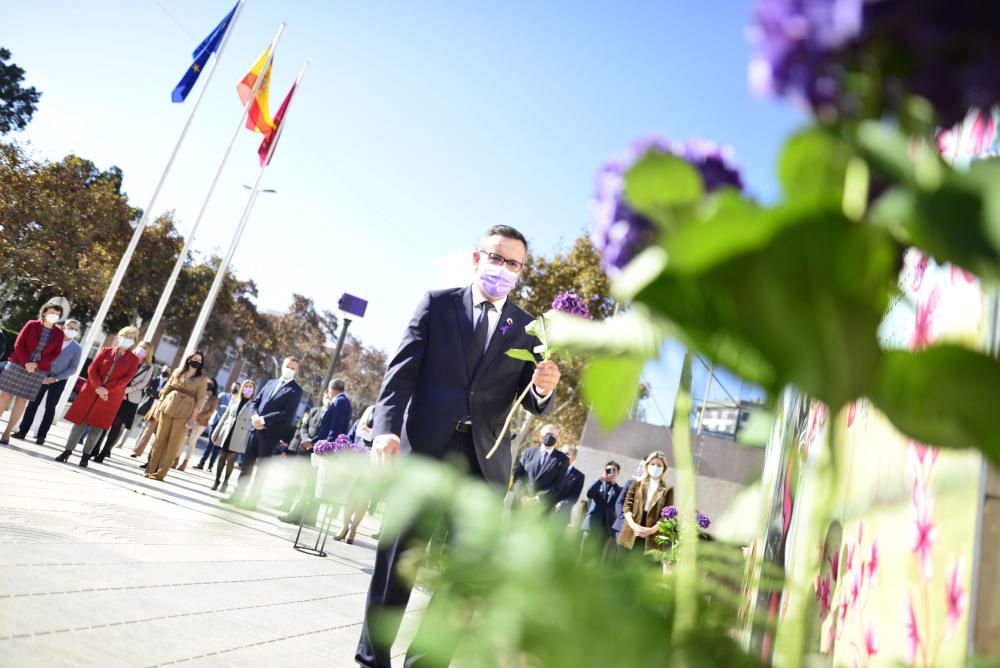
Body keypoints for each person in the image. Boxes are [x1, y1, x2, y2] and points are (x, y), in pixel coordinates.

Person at [357, 225, 561, 668]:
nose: (503, 268)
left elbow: (531, 401)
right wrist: (386, 430)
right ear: (476, 258)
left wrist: (544, 389)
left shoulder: (529, 328)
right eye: (496, 257)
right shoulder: (438, 304)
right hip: (425, 451)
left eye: (513, 263)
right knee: (397, 560)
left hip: (483, 464)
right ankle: (373, 659)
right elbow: (401, 374)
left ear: (521, 271)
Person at [222, 357, 302, 510]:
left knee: (261, 469)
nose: (289, 369)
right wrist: (254, 417)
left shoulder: (296, 390)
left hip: (270, 433)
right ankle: (237, 495)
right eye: (287, 366)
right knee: (246, 465)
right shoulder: (270, 382)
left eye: (293, 368)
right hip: (254, 429)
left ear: (296, 371)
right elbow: (255, 402)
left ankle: (252, 501)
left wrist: (263, 420)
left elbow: (286, 412)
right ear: (282, 366)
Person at [54, 327, 141, 466]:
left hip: (110, 396)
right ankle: (67, 451)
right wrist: (98, 386)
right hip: (91, 391)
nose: (128, 339)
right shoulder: (105, 351)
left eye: (132, 337)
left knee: (97, 426)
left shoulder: (134, 359)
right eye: (126, 335)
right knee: (79, 423)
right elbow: (92, 368)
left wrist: (106, 389)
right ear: (119, 336)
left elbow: (126, 379)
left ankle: (85, 456)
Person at [0, 302, 66, 445]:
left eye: (57, 314)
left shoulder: (59, 334)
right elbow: (19, 344)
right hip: (18, 363)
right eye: (52, 313)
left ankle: (7, 433)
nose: (54, 316)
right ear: (44, 313)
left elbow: (55, 354)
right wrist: (26, 363)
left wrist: (36, 364)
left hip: (37, 370)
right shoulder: (31, 324)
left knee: (22, 400)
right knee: (4, 395)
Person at [12, 318, 82, 445]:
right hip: (41, 375)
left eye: (75, 329)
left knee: (50, 408)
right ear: (63, 327)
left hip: (59, 380)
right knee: (33, 404)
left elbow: (73, 368)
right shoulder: (53, 339)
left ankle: (41, 436)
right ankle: (22, 431)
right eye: (70, 327)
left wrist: (55, 378)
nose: (72, 331)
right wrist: (41, 372)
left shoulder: (77, 348)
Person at [144, 353, 208, 481]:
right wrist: (158, 408)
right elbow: (166, 388)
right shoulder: (178, 371)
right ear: (189, 359)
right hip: (168, 406)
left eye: (199, 360)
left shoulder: (202, 378)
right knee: (159, 439)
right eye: (195, 359)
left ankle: (160, 473)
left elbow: (200, 399)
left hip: (185, 412)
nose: (197, 361)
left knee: (173, 444)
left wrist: (192, 418)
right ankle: (150, 469)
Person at [91, 340, 154, 462]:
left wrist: (126, 390)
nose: (142, 350)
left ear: (148, 353)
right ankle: (95, 449)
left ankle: (104, 453)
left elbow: (143, 384)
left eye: (145, 349)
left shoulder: (149, 366)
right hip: (115, 393)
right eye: (141, 347)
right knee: (106, 423)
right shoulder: (128, 357)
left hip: (130, 398)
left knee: (117, 426)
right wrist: (119, 390)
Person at [277, 392, 328, 522]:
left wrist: (313, 443)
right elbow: (303, 426)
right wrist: (306, 439)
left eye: (329, 396)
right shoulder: (314, 410)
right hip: (303, 450)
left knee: (310, 485)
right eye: (326, 395)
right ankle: (287, 503)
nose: (327, 397)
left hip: (316, 452)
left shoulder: (331, 414)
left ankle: (310, 517)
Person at [617, 451, 674, 555]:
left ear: (664, 468)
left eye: (658, 465)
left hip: (652, 533)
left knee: (642, 568)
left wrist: (651, 530)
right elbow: (627, 505)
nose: (655, 467)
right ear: (647, 465)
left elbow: (667, 515)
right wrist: (632, 524)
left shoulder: (668, 489)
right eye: (652, 464)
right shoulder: (638, 482)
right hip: (631, 529)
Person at [334, 403, 376, 544]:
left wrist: (370, 431)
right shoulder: (372, 409)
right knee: (350, 494)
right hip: (359, 456)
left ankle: (353, 529)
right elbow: (360, 430)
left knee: (364, 498)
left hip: (375, 462)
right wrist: (375, 434)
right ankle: (344, 525)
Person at [210, 379, 257, 493]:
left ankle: (225, 482)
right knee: (222, 457)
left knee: (231, 459)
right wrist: (216, 431)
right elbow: (225, 415)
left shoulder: (254, 404)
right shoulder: (235, 399)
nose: (248, 389)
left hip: (240, 434)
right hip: (227, 431)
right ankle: (217, 480)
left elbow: (253, 422)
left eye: (251, 387)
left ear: (254, 390)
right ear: (242, 388)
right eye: (246, 386)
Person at [511, 424, 570, 509]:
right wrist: (522, 495)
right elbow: (518, 476)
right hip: (520, 503)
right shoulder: (528, 452)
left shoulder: (563, 459)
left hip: (540, 507)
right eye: (547, 434)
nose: (549, 437)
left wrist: (537, 498)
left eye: (553, 435)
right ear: (540, 437)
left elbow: (557, 486)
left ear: (557, 438)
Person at [175, 377, 218, 471]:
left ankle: (185, 462)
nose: (208, 385)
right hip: (191, 418)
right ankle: (176, 459)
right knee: (183, 438)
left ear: (214, 386)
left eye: (210, 384)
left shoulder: (214, 398)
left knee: (192, 440)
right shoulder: (199, 393)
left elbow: (211, 411)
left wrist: (198, 416)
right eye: (207, 383)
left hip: (202, 423)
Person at [582, 460, 622, 560]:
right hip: (592, 523)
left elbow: (621, 500)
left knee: (598, 556)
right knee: (585, 552)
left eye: (614, 470)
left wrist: (615, 485)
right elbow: (589, 494)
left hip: (606, 527)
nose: (611, 472)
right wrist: (599, 480)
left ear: (617, 473)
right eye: (609, 470)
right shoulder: (597, 484)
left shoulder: (619, 489)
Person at [130, 366, 171, 458]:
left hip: (158, 408)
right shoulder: (154, 379)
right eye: (165, 370)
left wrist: (155, 393)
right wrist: (157, 393)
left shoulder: (168, 384)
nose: (166, 372)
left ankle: (142, 451)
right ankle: (136, 449)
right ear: (161, 370)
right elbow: (147, 390)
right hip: (147, 405)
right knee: (137, 426)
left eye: (168, 371)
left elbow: (163, 394)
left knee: (148, 430)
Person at [194, 381, 236, 471]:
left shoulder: (237, 401)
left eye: (237, 387)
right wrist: (224, 410)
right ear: (231, 387)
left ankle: (210, 466)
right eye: (233, 386)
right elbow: (216, 406)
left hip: (225, 425)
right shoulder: (222, 395)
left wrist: (224, 409)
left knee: (217, 446)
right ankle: (201, 463)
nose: (234, 388)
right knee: (210, 443)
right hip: (215, 421)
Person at [553, 445, 585, 524]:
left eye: (567, 454)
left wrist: (560, 505)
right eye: (562, 452)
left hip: (561, 516)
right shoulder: (551, 468)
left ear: (574, 458)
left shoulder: (579, 476)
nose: (563, 455)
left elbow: (574, 497)